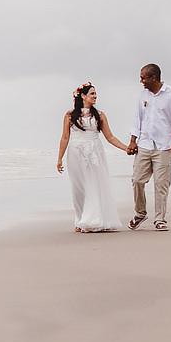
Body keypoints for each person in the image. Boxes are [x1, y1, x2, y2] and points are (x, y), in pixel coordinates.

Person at [57, 82, 129, 232]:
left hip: (94, 152)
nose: (95, 96)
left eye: (95, 93)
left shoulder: (100, 115)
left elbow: (110, 137)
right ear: (82, 96)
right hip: (75, 152)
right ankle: (80, 219)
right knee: (78, 187)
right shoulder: (70, 115)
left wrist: (126, 148)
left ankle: (92, 220)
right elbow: (65, 137)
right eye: (92, 93)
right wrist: (59, 159)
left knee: (93, 185)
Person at [126, 63, 171, 231]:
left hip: (164, 146)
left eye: (143, 78)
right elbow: (137, 119)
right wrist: (133, 140)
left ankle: (160, 219)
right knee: (137, 180)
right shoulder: (143, 94)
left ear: (154, 78)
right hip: (144, 144)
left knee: (161, 183)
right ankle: (140, 213)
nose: (141, 81)